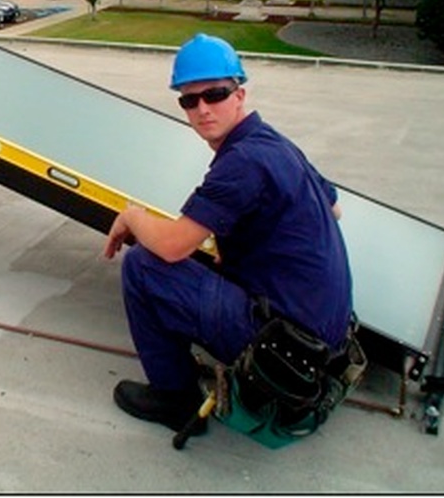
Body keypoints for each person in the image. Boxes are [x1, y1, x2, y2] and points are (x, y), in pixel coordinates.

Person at [103, 33, 353, 435]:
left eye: (215, 94)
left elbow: (170, 247)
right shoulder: (274, 143)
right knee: (207, 258)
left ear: (240, 94)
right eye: (189, 99)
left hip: (286, 348)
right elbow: (334, 208)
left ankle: (175, 399)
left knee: (142, 264)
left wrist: (131, 216)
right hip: (323, 343)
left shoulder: (243, 162)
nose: (202, 109)